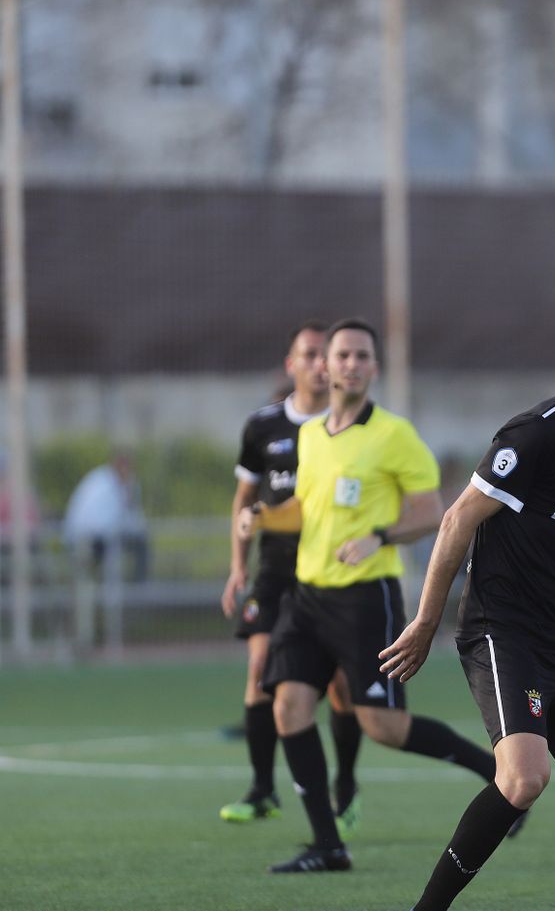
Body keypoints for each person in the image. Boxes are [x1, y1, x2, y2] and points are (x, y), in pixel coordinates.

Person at [379, 307, 555, 911]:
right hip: (504, 630)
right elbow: (455, 520)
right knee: (524, 779)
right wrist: (426, 620)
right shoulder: (539, 432)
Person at [237, 318, 500, 874]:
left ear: (373, 368)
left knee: (383, 727)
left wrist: (378, 535)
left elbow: (432, 513)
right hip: (307, 596)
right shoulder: (309, 437)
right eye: (342, 355)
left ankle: (490, 769)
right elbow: (305, 509)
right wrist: (261, 517)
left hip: (365, 599)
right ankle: (328, 845)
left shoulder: (393, 435)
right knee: (288, 706)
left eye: (362, 356)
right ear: (324, 367)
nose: (351, 364)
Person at [218, 322, 365, 831]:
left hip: (329, 573)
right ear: (292, 364)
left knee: (343, 686)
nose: (321, 364)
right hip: (275, 573)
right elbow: (244, 500)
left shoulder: (347, 426)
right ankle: (262, 790)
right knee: (260, 669)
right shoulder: (262, 427)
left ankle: (345, 786)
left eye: (328, 356)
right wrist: (238, 565)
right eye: (310, 355)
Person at [64, 450, 149, 582]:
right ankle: (136, 587)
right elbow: (101, 522)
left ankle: (138, 585)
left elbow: (132, 518)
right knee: (133, 544)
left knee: (139, 542)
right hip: (86, 539)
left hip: (96, 537)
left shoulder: (123, 483)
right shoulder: (102, 484)